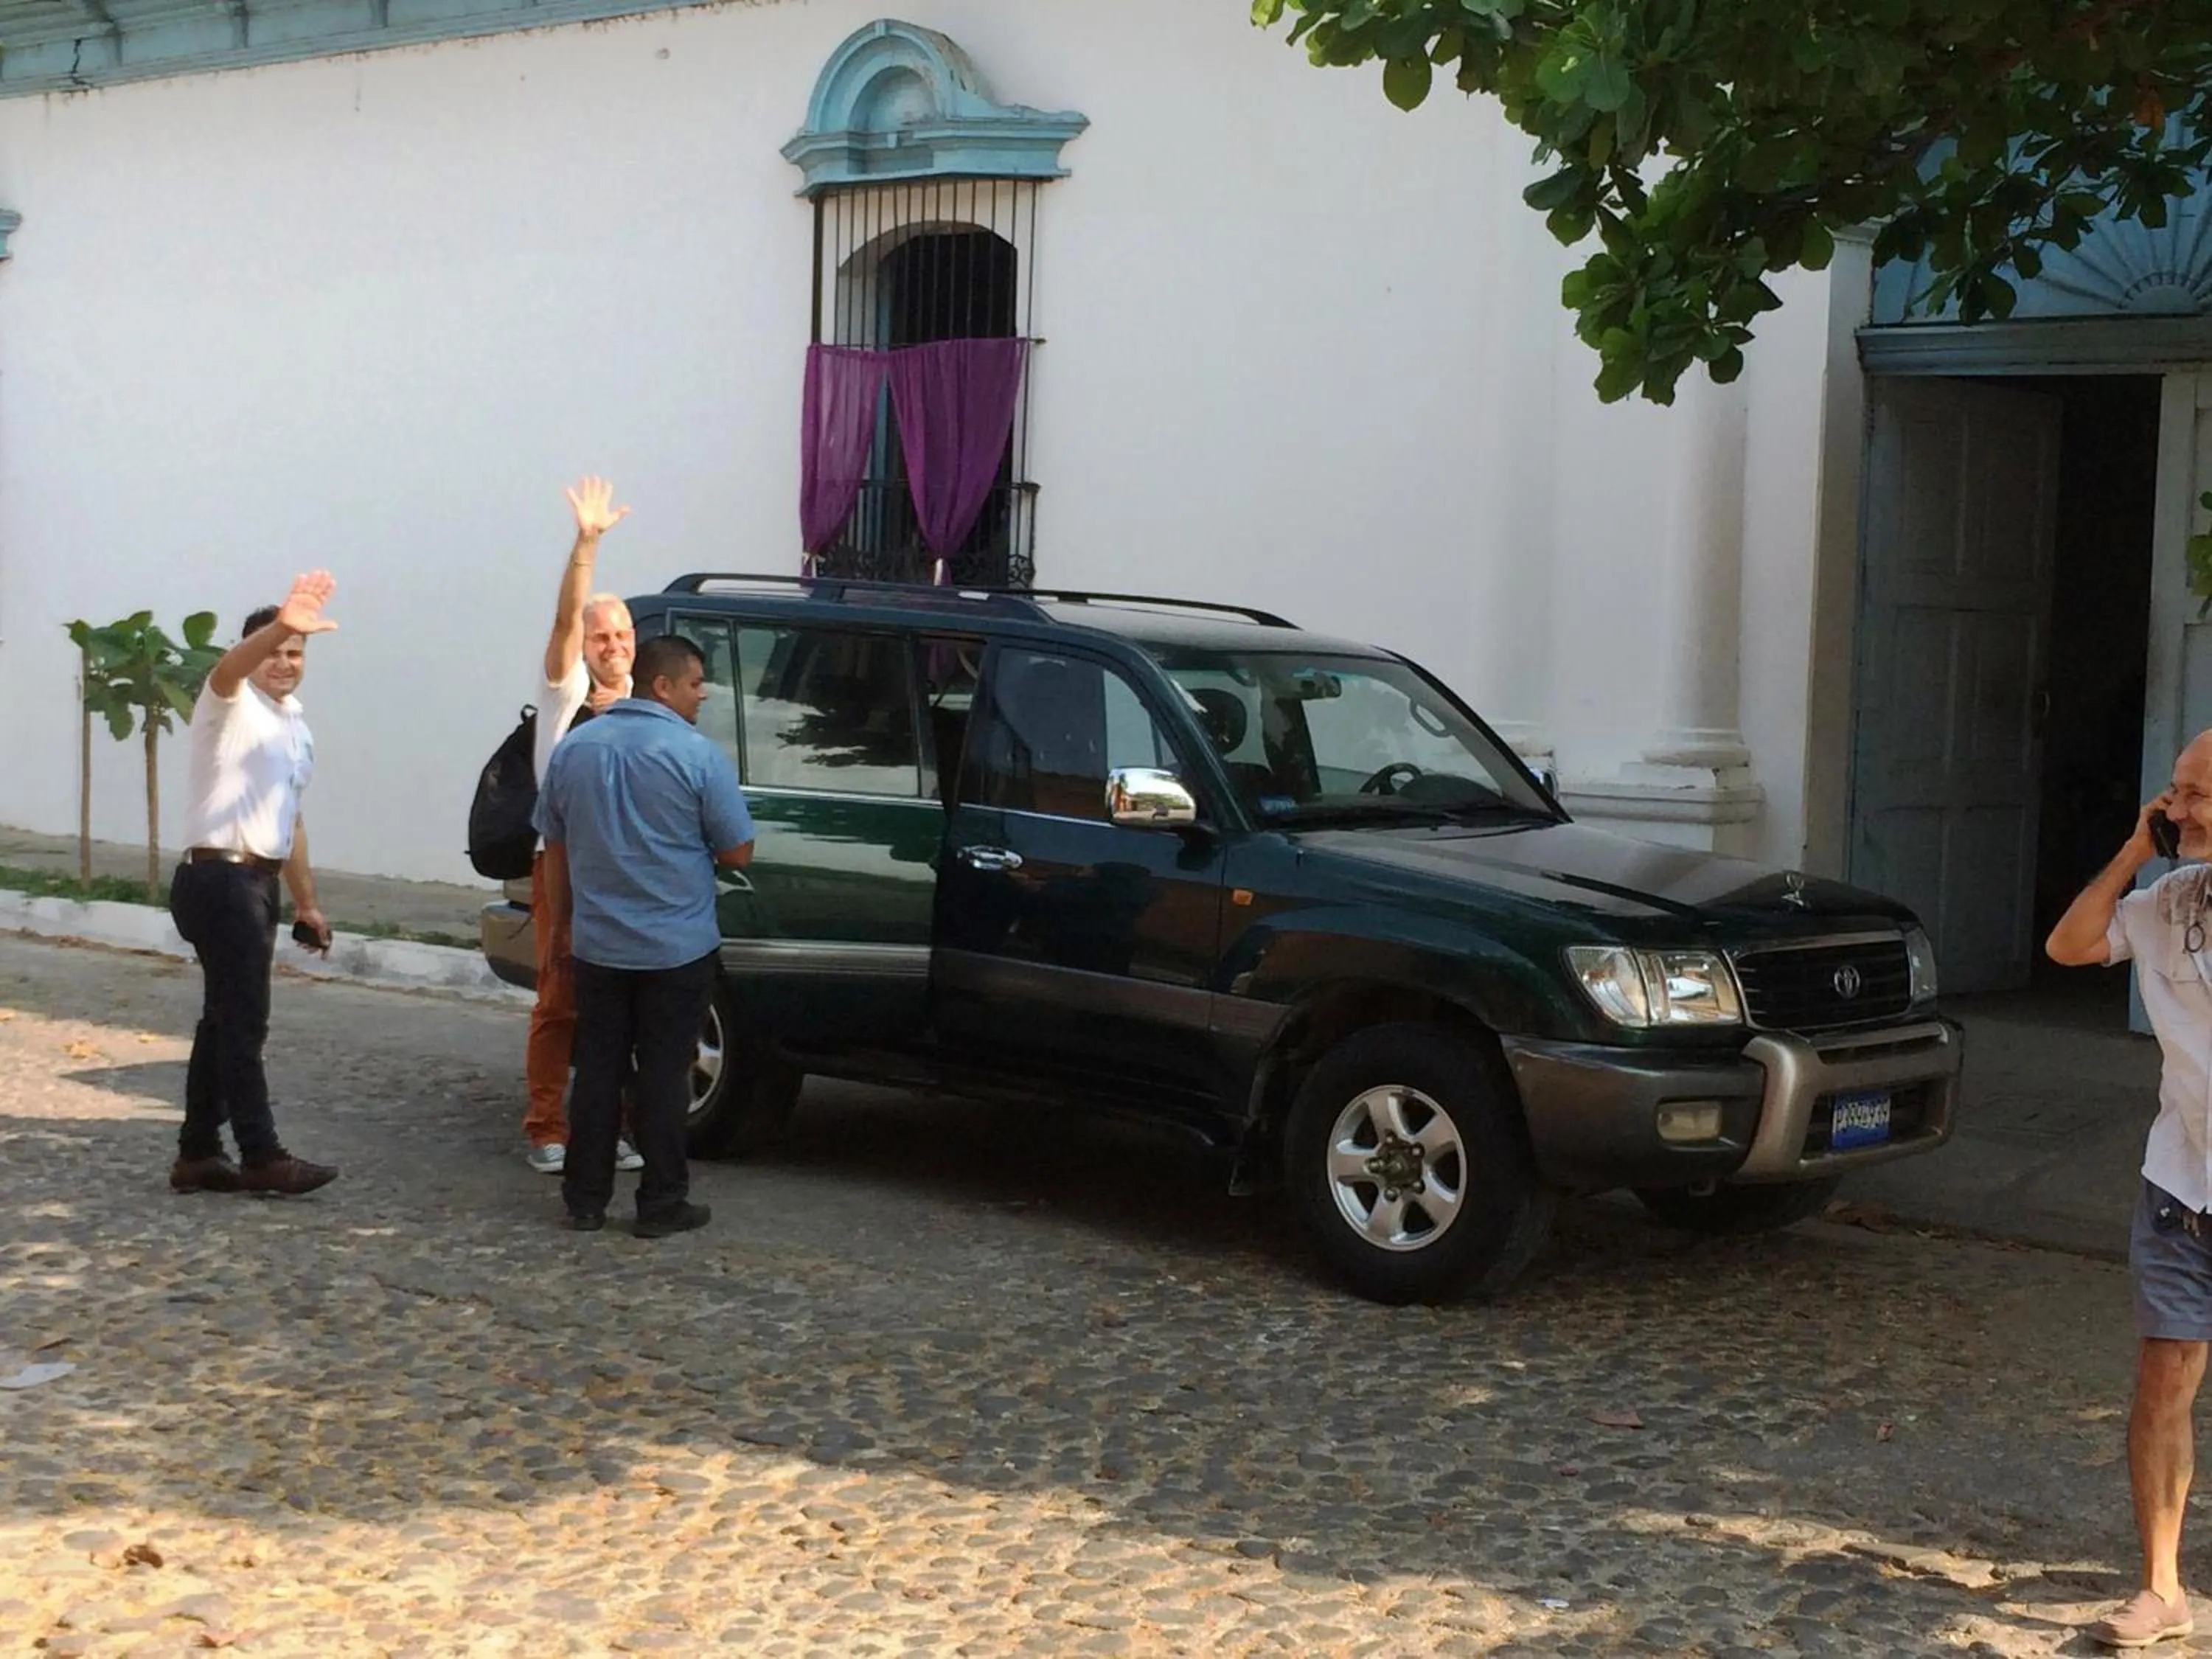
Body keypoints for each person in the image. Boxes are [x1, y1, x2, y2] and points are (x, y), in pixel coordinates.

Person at [2048, 728, 2212, 1649]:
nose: (2177, 808)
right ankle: (2162, 1586)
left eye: (2197, 796)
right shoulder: (2165, 903)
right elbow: (2069, 947)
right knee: (2163, 1386)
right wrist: (2131, 853)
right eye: (2175, 791)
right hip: (2181, 1189)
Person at [533, 633, 754, 1237]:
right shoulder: (698, 755)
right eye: (693, 684)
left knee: (598, 1068)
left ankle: (584, 1200)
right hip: (675, 945)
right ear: (662, 685)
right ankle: (660, 1202)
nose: (701, 695)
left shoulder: (575, 749)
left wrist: (561, 927)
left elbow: (555, 844)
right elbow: (737, 851)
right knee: (662, 1073)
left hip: (599, 944)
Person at [166, 574, 342, 1198]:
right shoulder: (228, 700)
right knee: (245, 1021)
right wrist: (282, 623)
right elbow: (229, 666)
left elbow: (289, 821)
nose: (286, 661)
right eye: (276, 649)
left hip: (257, 880)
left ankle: (198, 1154)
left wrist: (307, 902)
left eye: (296, 653)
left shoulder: (295, 725)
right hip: (217, 877)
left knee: (222, 1020)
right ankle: (262, 1155)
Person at [522, 476, 644, 1178]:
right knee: (559, 999)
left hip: (626, 875)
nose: (612, 644)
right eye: (602, 635)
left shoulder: (644, 699)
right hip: (560, 866)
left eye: (623, 634)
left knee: (620, 1010)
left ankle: (611, 1127)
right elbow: (566, 618)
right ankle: (546, 1125)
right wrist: (587, 546)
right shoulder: (564, 687)